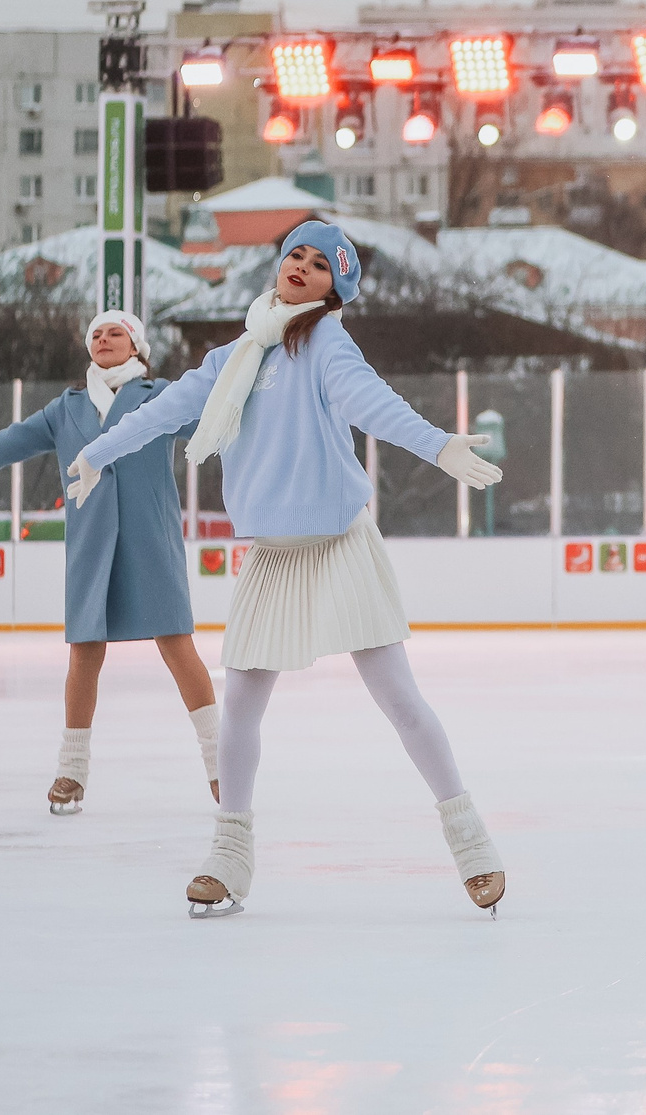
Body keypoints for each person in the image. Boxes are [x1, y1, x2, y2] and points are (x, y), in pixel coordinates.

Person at [68, 223, 508, 916]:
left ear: (336, 287)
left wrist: (437, 445)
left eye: (319, 263)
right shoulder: (232, 357)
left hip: (340, 541)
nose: (302, 266)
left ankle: (469, 834)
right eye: (294, 255)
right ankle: (230, 853)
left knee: (399, 698)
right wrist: (99, 453)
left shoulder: (326, 342)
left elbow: (369, 403)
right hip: (272, 554)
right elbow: (162, 413)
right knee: (241, 704)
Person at [0, 311, 218, 813]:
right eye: (96, 333)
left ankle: (221, 762)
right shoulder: (65, 408)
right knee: (85, 653)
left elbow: (220, 428)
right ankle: (72, 771)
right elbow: (2, 447)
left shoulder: (161, 395)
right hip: (91, 545)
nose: (103, 338)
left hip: (151, 541)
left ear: (137, 346)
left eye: (115, 332)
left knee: (177, 646)